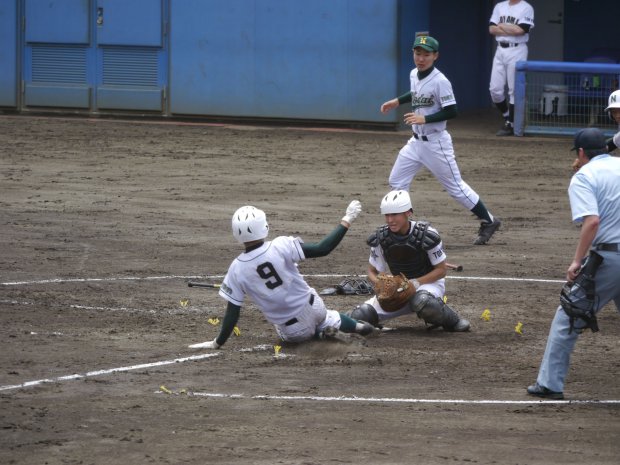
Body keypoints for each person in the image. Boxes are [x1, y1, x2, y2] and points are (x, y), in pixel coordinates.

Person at [188, 200, 375, 350]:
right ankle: (359, 327)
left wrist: (217, 342)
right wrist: (347, 219)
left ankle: (322, 335)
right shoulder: (280, 245)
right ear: (264, 226)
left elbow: (232, 313)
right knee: (328, 318)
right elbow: (322, 249)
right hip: (315, 306)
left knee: (288, 339)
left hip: (294, 329)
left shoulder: (236, 269)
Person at [380, 35, 501, 245]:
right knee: (397, 181)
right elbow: (416, 93)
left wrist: (424, 117)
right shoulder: (413, 74)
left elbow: (452, 111)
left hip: (436, 143)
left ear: (435, 56)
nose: (421, 58)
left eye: (426, 54)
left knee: (455, 187)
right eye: (418, 53)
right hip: (415, 143)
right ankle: (404, 228)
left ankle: (489, 220)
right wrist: (397, 101)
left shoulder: (441, 81)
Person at [527, 128, 620, 399]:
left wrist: (577, 260)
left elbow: (592, 221)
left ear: (581, 153)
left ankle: (549, 384)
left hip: (609, 260)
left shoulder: (584, 177)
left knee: (568, 316)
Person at [350, 190, 470, 332]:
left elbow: (441, 270)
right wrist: (382, 285)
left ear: (408, 213)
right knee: (360, 315)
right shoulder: (380, 237)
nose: (390, 220)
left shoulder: (427, 234)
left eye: (395, 214)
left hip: (428, 285)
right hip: (399, 290)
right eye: (387, 215)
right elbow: (371, 271)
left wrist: (414, 283)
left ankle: (453, 321)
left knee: (422, 301)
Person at [488, 0, 534, 136]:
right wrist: (510, 28)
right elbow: (491, 29)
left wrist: (501, 26)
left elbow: (521, 30)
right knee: (494, 90)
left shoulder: (526, 7)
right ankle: (508, 117)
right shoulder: (499, 6)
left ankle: (512, 124)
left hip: (517, 50)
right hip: (500, 50)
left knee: (514, 89)